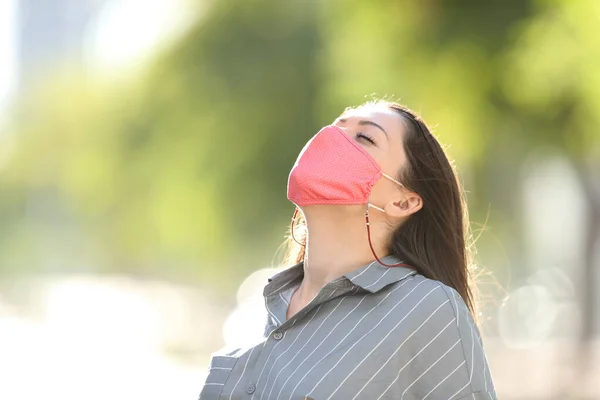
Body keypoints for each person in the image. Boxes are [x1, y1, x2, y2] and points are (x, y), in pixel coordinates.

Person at [199, 100, 497, 400]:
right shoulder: (256, 310)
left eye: (365, 138)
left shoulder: (426, 307)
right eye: (335, 127)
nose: (331, 140)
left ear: (403, 202)